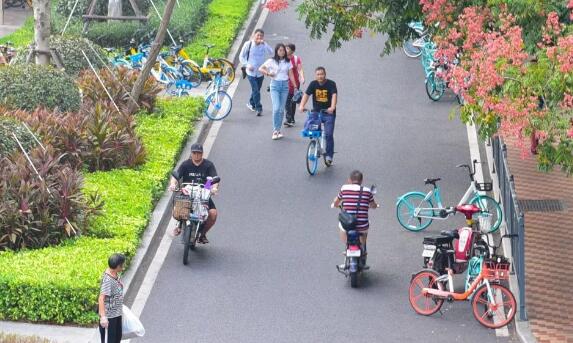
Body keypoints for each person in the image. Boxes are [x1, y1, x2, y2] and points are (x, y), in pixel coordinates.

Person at [169, 143, 219, 243]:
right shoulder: (185, 164)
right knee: (177, 205)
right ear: (191, 153)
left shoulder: (208, 165)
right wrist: (173, 184)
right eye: (194, 153)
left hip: (202, 193)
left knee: (213, 214)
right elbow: (175, 176)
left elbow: (215, 179)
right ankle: (179, 225)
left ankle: (202, 234)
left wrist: (214, 188)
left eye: (199, 153)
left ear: (202, 154)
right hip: (187, 193)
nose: (196, 155)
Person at [331, 170, 378, 269]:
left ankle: (347, 246)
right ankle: (362, 250)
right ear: (362, 181)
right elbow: (373, 205)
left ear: (349, 180)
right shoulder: (367, 191)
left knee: (341, 226)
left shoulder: (344, 188)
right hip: (362, 225)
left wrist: (335, 205)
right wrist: (375, 206)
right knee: (365, 229)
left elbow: (336, 201)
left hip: (348, 225)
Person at [299, 67, 337, 165]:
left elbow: (334, 96)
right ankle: (315, 145)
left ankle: (329, 155)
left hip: (328, 113)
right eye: (318, 74)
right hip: (316, 112)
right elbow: (306, 95)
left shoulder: (331, 84)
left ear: (325, 74)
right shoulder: (313, 84)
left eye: (322, 74)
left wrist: (332, 107)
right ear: (315, 75)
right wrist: (302, 106)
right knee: (310, 129)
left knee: (328, 134)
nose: (320, 76)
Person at [259, 43, 298, 140]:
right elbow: (260, 68)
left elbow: (291, 75)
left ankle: (278, 130)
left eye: (283, 50)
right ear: (276, 51)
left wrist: (295, 86)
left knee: (281, 110)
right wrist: (268, 73)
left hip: (285, 86)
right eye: (280, 50)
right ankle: (275, 130)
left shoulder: (288, 62)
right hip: (275, 86)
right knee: (276, 108)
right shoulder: (271, 61)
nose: (282, 52)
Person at [239, 29, 273, 117]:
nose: (259, 37)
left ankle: (251, 103)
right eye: (258, 35)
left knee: (256, 90)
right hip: (250, 72)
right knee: (256, 90)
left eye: (261, 36)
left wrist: (265, 43)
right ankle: (259, 108)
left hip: (260, 72)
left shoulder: (263, 45)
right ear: (254, 35)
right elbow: (241, 56)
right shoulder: (248, 44)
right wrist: (247, 65)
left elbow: (271, 52)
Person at [98, 253, 126, 343]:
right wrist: (103, 317)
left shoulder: (115, 274)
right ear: (118, 266)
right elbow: (101, 298)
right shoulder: (108, 280)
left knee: (117, 338)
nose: (124, 265)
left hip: (117, 314)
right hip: (110, 317)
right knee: (111, 341)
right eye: (122, 264)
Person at [284, 43, 305, 127]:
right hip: (284, 83)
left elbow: (300, 69)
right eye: (285, 48)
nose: (286, 50)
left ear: (292, 51)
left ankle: (291, 119)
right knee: (287, 101)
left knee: (293, 101)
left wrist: (302, 77)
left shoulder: (296, 59)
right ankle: (289, 119)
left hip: (295, 83)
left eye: (288, 48)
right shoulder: (282, 58)